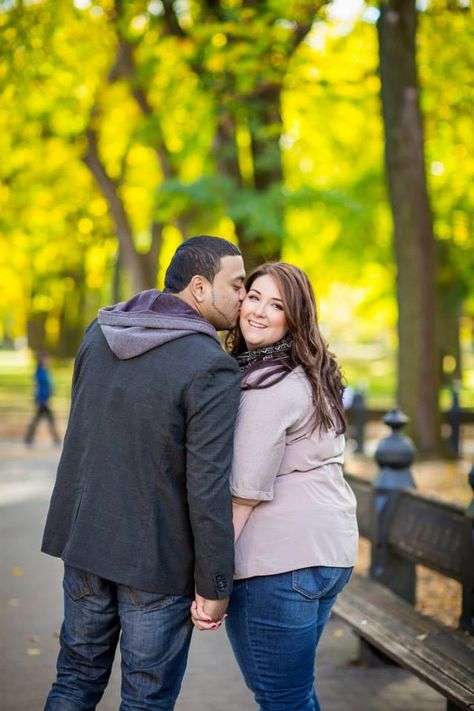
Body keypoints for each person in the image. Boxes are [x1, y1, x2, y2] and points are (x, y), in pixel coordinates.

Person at [41, 236, 246, 710]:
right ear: (199, 287)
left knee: (73, 681)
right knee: (146, 701)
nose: (242, 296)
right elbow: (208, 485)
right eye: (236, 285)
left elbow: (86, 438)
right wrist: (215, 585)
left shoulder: (100, 331)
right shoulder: (210, 366)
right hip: (155, 562)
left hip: (86, 543)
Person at [192, 262, 358, 711]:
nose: (259, 311)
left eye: (277, 305)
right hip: (328, 555)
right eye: (254, 296)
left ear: (295, 317)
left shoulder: (267, 385)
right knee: (294, 694)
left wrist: (213, 584)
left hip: (281, 564)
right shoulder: (309, 373)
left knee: (282, 698)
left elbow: (243, 495)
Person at [25, 352, 61, 446]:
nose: (48, 360)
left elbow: (49, 385)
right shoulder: (40, 372)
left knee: (39, 419)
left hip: (45, 400)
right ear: (42, 360)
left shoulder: (46, 371)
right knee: (49, 419)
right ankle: (56, 439)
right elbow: (40, 387)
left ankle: (29, 438)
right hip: (42, 400)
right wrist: (41, 399)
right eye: (46, 359)